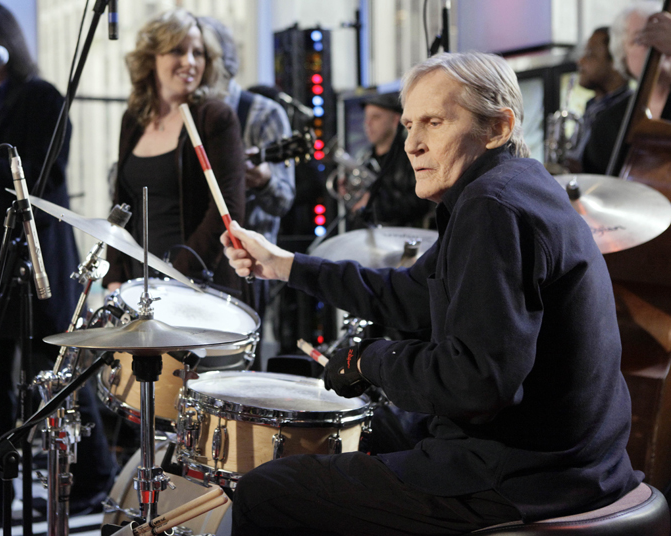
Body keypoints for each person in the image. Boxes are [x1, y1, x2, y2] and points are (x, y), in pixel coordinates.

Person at [221, 51, 641, 535]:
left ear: (498, 127)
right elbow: (407, 295)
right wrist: (285, 265)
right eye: (408, 125)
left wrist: (369, 361)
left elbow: (476, 384)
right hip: (578, 459)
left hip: (525, 476)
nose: (413, 145)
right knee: (370, 429)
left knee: (266, 490)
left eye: (434, 123)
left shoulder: (492, 206)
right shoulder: (517, 185)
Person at [0, 1, 114, 524]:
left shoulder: (39, 96)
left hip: (37, 260)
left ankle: (90, 480)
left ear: (6, 39)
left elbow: (40, 177)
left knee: (54, 373)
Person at [102, 9, 245, 296]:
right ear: (151, 58)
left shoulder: (215, 116)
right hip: (139, 285)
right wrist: (114, 276)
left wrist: (177, 277)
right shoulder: (133, 119)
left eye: (199, 53)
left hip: (197, 284)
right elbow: (122, 202)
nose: (190, 62)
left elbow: (225, 207)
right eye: (177, 51)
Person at [200, 16, 295, 370]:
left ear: (223, 62)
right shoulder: (185, 115)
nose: (192, 66)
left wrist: (263, 179)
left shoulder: (263, 113)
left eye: (202, 55)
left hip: (244, 268)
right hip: (192, 257)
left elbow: (283, 199)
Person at [582, 1, 671, 175]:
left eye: (662, 33)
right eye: (640, 39)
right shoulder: (608, 124)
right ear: (623, 55)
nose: (655, 45)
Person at [343, 92, 433, 229]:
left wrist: (373, 205)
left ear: (395, 120)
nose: (368, 123)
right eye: (366, 118)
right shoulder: (365, 158)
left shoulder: (413, 155)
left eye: (376, 117)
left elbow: (420, 204)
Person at [565, 27, 631, 173]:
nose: (580, 61)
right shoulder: (592, 107)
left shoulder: (628, 111)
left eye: (590, 54)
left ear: (615, 62)